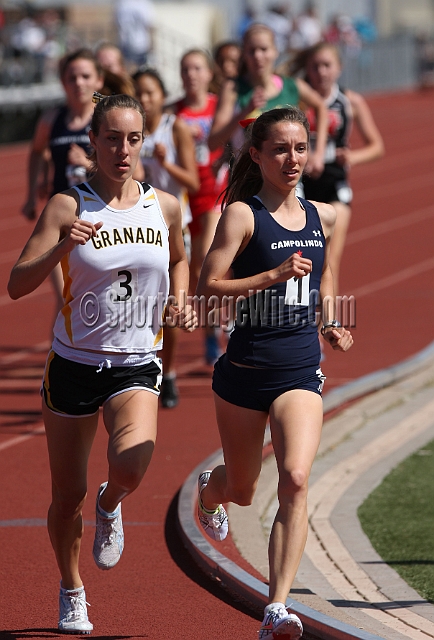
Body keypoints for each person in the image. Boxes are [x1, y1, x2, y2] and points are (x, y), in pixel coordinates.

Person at [8, 93, 196, 634]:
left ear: (144, 141)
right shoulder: (70, 206)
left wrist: (179, 299)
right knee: (67, 494)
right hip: (73, 362)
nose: (123, 149)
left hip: (138, 360)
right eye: (112, 138)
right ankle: (72, 590)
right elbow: (18, 284)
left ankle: (111, 503)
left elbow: (180, 260)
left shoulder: (164, 206)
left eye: (133, 139)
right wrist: (59, 247)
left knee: (132, 462)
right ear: (92, 141)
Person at [195, 106, 353, 639]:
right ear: (257, 155)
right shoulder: (242, 215)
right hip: (243, 371)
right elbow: (208, 286)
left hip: (300, 370)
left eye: (301, 148)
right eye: (281, 148)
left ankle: (276, 608)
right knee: (241, 490)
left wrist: (330, 322)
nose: (292, 158)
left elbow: (328, 276)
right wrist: (273, 274)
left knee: (296, 479)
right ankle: (209, 493)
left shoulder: (327, 216)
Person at [291, 42, 384, 292]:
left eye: (326, 65)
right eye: (315, 66)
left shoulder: (350, 101)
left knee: (329, 258)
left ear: (339, 68)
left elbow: (377, 146)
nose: (321, 72)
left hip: (335, 181)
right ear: (307, 69)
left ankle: (328, 324)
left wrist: (352, 157)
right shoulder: (297, 99)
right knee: (298, 258)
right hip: (300, 182)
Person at [134, 67, 199, 407]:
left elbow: (193, 182)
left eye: (151, 92)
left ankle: (168, 372)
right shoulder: (129, 129)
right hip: (137, 230)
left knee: (171, 308)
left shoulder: (177, 129)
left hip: (174, 228)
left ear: (162, 94)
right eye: (139, 93)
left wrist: (165, 164)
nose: (145, 99)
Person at [21, 48, 104, 314]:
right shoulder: (51, 119)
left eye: (85, 76)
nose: (79, 83)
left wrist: (88, 163)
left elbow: (127, 167)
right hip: (59, 220)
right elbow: (35, 151)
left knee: (96, 298)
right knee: (65, 301)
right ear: (63, 82)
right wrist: (32, 193)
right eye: (72, 77)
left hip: (99, 218)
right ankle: (60, 355)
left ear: (98, 80)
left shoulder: (105, 118)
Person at [207, 23, 328, 183]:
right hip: (248, 182)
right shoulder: (233, 89)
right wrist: (245, 112)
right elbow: (213, 142)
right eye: (252, 51)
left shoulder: (292, 86)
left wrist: (318, 153)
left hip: (288, 183)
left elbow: (321, 107)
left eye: (263, 49)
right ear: (244, 55)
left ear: (274, 52)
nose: (258, 56)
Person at [173, 49, 229, 364]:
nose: (191, 74)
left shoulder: (219, 106)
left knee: (208, 261)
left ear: (209, 73)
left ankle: (215, 334)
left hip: (214, 193)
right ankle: (212, 330)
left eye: (197, 68)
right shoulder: (174, 112)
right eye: (185, 68)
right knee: (194, 269)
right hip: (185, 197)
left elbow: (236, 139)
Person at [114, 0, 156, 72]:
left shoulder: (122, 3)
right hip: (133, 44)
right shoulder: (122, 3)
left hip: (136, 44)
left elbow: (149, 26)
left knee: (138, 71)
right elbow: (150, 26)